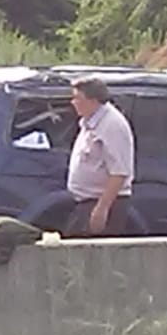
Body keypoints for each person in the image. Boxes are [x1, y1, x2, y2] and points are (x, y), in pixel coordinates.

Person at [65, 77, 135, 237]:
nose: (73, 102)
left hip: (103, 204)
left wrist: (102, 209)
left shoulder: (112, 125)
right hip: (86, 203)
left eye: (77, 98)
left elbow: (119, 172)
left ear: (93, 100)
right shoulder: (90, 122)